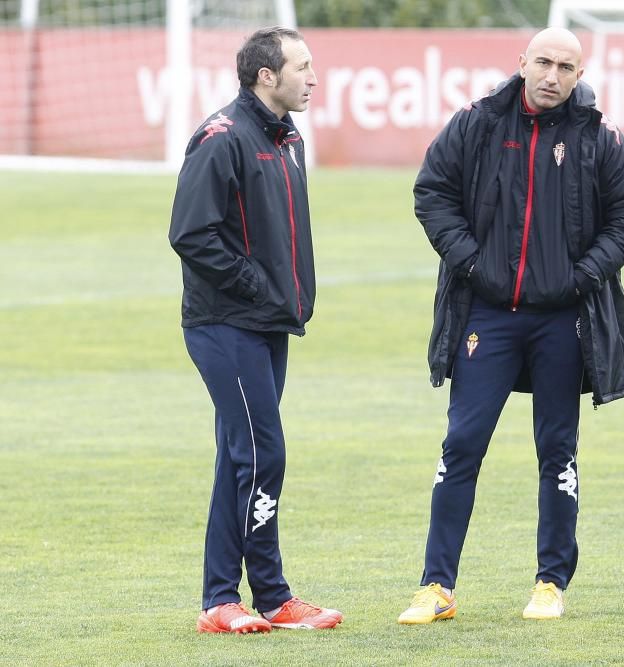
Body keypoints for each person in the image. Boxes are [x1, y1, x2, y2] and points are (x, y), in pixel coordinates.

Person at [399, 27, 624, 625]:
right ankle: (436, 586)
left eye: (567, 66)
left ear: (579, 73)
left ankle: (550, 582)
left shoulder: (599, 136)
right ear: (522, 62)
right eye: (544, 62)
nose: (553, 76)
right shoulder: (478, 122)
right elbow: (431, 192)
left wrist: (583, 274)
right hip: (486, 314)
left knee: (557, 450)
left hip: (563, 319)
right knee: (461, 444)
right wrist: (468, 261)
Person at [168, 26, 342, 635]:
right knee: (264, 453)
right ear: (266, 76)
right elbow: (191, 234)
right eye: (302, 66)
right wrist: (255, 286)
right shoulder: (222, 137)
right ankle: (271, 595)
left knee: (237, 458)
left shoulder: (285, 137)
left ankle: (220, 600)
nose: (313, 77)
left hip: (267, 323)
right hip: (227, 323)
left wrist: (289, 296)